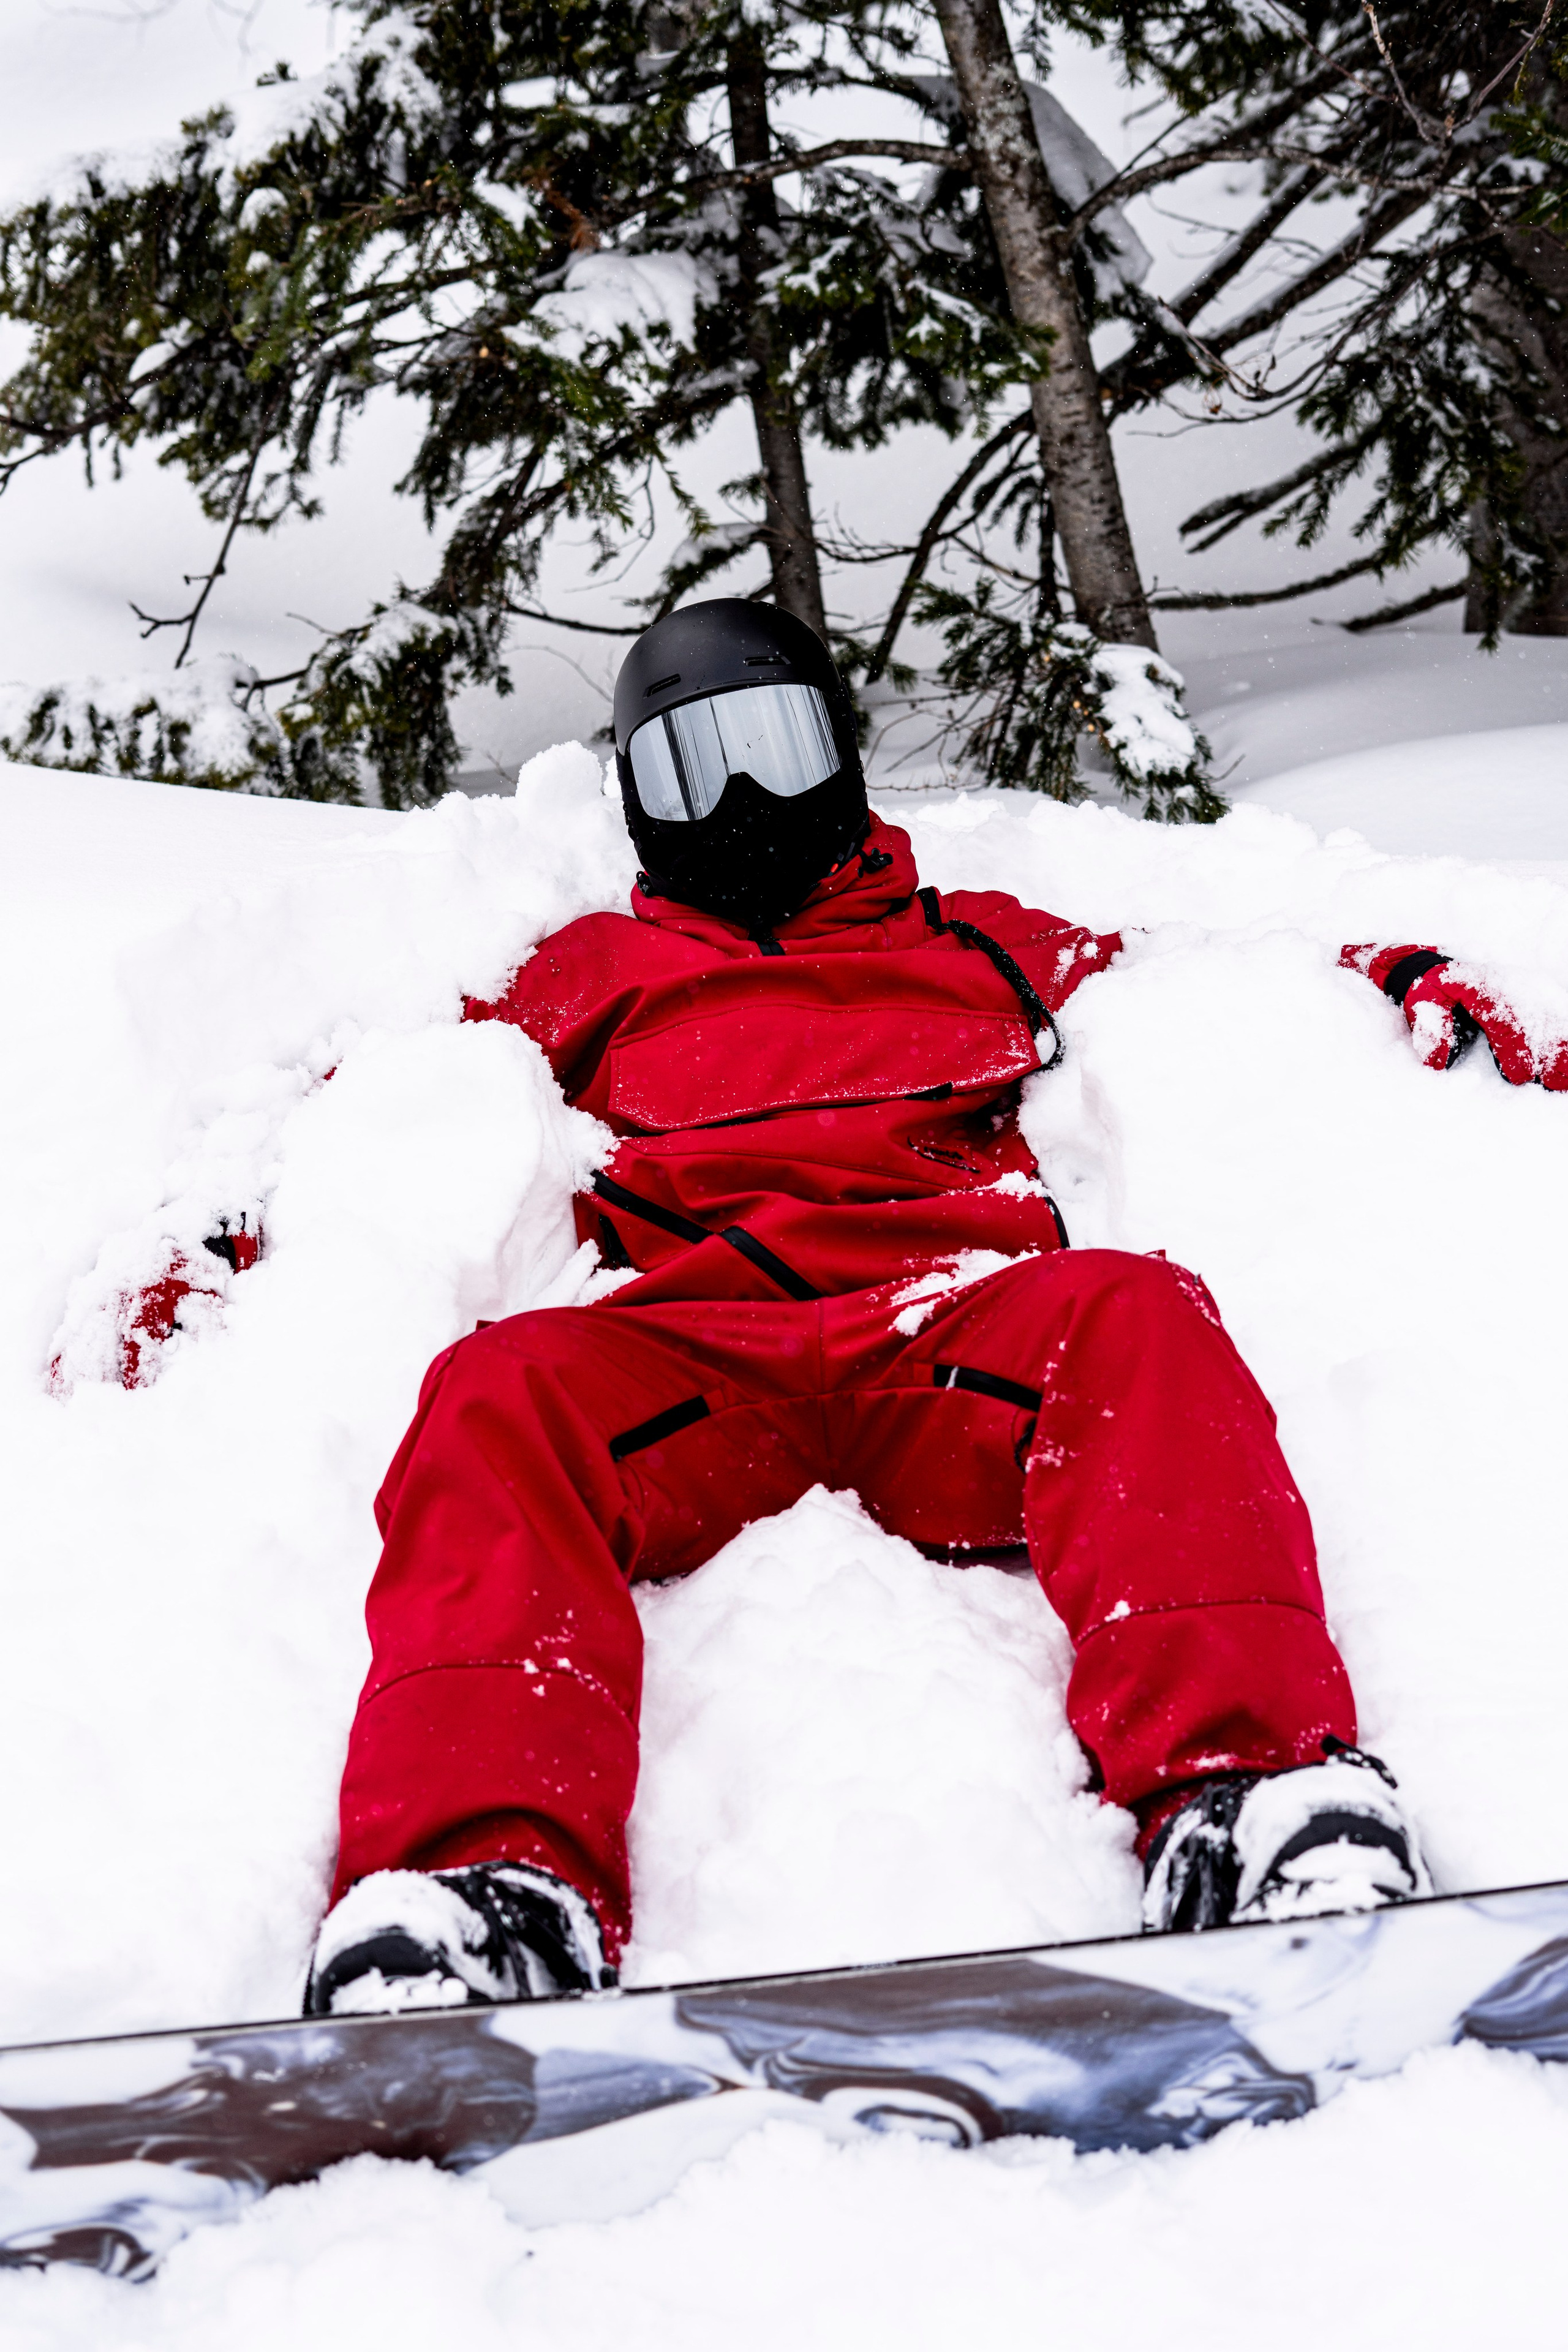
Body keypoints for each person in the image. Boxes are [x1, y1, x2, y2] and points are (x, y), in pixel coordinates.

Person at [301, 598, 1555, 2017]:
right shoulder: (588, 970)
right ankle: (484, 1889)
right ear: (638, 798)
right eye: (691, 767)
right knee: (500, 1385)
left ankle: (1247, 1793)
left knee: (1134, 1313)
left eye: (772, 748)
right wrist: (211, 1233)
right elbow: (379, 1095)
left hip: (949, 1329)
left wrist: (1394, 978)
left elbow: (1218, 965)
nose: (743, 801)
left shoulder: (974, 938)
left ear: (835, 753)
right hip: (691, 1356)